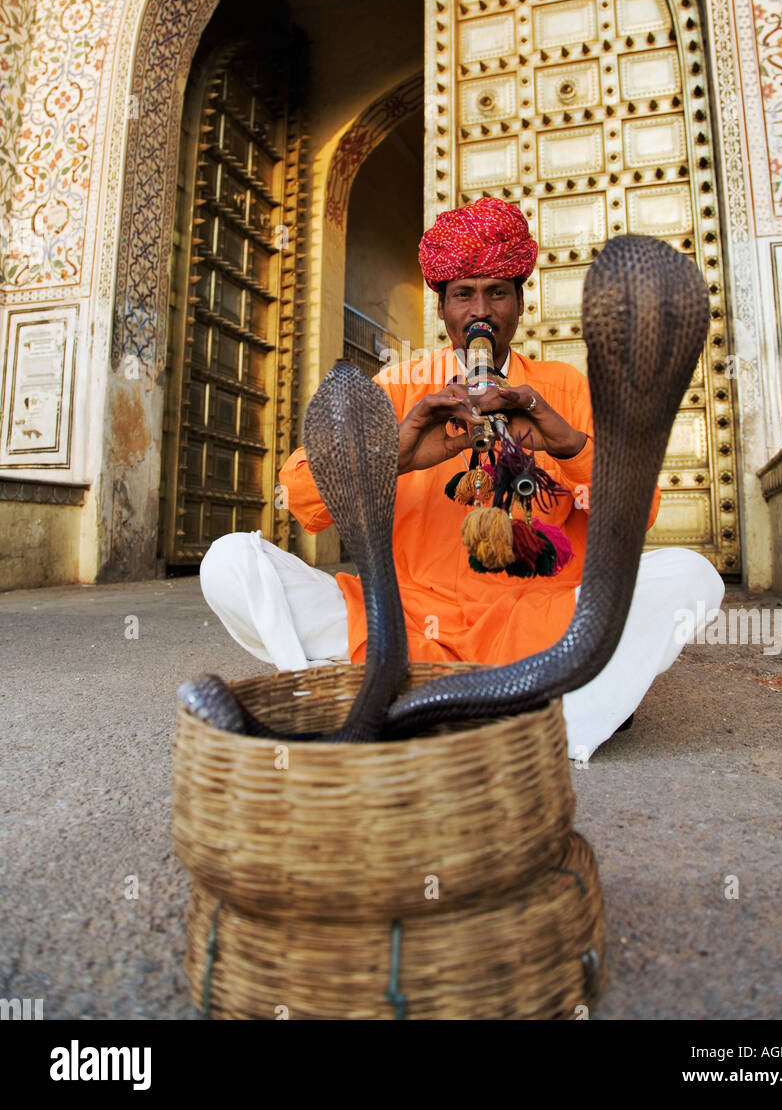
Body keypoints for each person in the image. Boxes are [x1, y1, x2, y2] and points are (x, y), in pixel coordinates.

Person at [200, 197, 724, 758]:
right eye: (463, 294)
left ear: (521, 304)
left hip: (537, 623)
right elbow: (301, 497)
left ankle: (441, 710)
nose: (481, 311)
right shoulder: (400, 386)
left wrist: (568, 445)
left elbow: (637, 516)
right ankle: (524, 702)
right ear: (443, 308)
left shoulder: (563, 387)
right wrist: (395, 451)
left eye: (497, 292)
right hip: (407, 622)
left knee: (691, 576)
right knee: (231, 563)